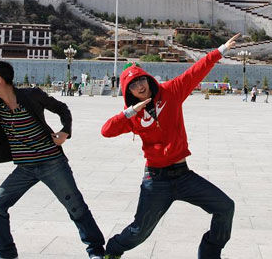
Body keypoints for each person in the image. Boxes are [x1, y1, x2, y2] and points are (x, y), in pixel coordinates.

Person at [101, 34, 239, 259]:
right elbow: (106, 130)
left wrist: (220, 50)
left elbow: (195, 72)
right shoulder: (133, 117)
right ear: (128, 92)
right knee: (140, 231)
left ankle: (210, 254)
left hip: (183, 176)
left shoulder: (171, 92)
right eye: (133, 85)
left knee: (225, 207)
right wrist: (129, 112)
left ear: (148, 79)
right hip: (156, 180)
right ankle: (112, 250)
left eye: (141, 80)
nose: (139, 86)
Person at [0, 61, 105, 259]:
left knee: (76, 208)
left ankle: (96, 252)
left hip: (52, 163)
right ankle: (6, 254)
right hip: (25, 168)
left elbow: (62, 108)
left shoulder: (31, 95)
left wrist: (65, 132)